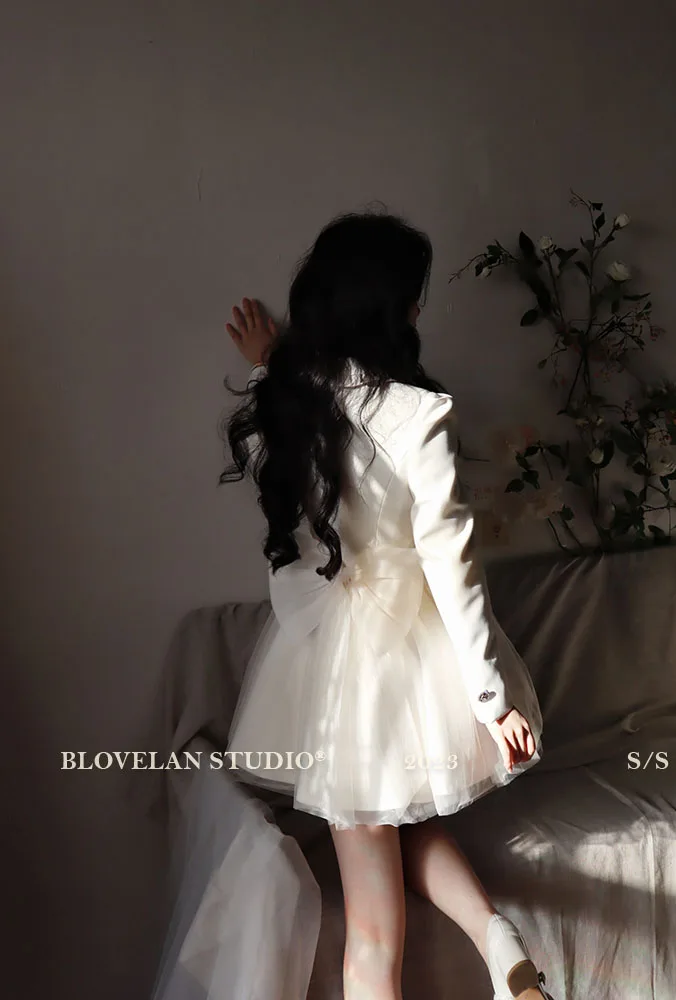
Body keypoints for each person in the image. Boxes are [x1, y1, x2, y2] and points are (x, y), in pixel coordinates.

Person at [220, 210, 555, 1000]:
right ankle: (500, 943)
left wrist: (268, 361)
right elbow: (452, 566)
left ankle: (500, 946)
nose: (419, 309)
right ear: (389, 309)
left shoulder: (286, 403)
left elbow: (318, 416)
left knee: (372, 930)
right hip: (409, 650)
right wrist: (492, 699)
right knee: (397, 820)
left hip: (332, 656)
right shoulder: (420, 414)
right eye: (413, 295)